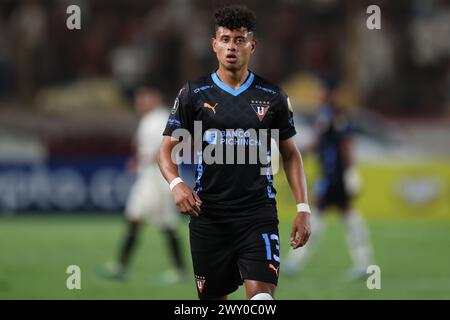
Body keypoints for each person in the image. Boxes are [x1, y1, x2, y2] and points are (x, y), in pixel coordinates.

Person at [158, 6, 311, 300]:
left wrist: (303, 208)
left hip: (258, 215)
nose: (231, 46)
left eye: (239, 40)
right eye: (225, 39)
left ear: (252, 46)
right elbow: (165, 150)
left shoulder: (272, 96)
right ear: (214, 44)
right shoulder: (193, 93)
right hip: (209, 217)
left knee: (262, 300)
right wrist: (176, 184)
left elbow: (290, 154)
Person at [97, 88, 187, 284]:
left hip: (156, 176)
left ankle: (121, 266)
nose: (140, 103)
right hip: (158, 176)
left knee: (138, 216)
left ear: (155, 97)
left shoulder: (157, 119)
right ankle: (179, 270)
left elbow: (164, 146)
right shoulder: (159, 117)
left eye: (144, 99)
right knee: (163, 223)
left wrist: (142, 161)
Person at [283, 85, 374, 279]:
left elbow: (344, 144)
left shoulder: (334, 115)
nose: (318, 95)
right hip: (331, 174)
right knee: (345, 215)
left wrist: (349, 171)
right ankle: (364, 262)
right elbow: (321, 142)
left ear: (330, 94)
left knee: (317, 215)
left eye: (322, 91)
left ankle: (295, 261)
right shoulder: (328, 115)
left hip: (334, 176)